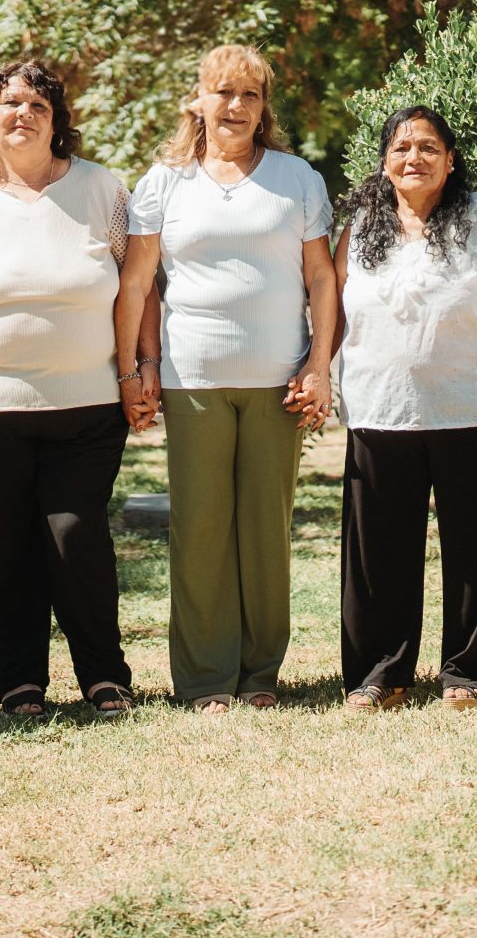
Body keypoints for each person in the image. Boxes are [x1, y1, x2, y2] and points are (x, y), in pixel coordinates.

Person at [0, 61, 136, 720]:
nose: (23, 113)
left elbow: (137, 290)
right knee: (1, 548)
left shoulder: (102, 190)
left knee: (76, 539)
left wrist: (137, 369)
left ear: (57, 120)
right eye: (9, 102)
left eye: (38, 103)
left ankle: (104, 675)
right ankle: (19, 681)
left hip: (88, 406)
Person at [117, 45, 338, 712]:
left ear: (264, 105)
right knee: (202, 530)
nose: (235, 106)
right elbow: (136, 281)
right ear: (199, 100)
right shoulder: (164, 181)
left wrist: (320, 362)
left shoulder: (297, 178)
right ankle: (207, 679)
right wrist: (133, 366)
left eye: (249, 94)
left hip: (280, 380)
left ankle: (261, 672)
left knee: (266, 531)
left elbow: (322, 277)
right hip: (193, 377)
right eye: (223, 92)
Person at [331, 105, 477, 710]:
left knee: (476, 551)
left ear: (451, 161)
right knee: (379, 554)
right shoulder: (360, 229)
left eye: (428, 148)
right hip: (380, 409)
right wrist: (315, 368)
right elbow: (334, 312)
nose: (414, 158)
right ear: (384, 162)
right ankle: (380, 673)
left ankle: (467, 673)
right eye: (401, 148)